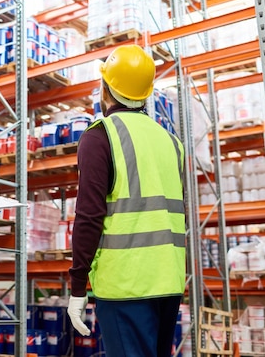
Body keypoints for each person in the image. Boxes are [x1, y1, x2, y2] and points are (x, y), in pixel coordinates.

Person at [67, 45, 186, 357]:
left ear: (106, 89)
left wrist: (77, 285)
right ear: (145, 94)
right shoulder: (171, 142)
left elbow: (89, 216)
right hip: (169, 281)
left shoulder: (100, 137)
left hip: (126, 284)